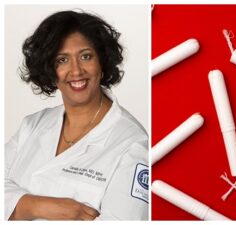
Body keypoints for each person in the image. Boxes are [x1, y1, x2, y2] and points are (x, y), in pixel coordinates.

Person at [5, 10, 148, 221]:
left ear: (102, 63)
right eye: (62, 60)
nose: (76, 71)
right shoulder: (32, 125)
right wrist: (37, 206)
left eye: (86, 56)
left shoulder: (132, 144)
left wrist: (14, 205)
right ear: (50, 70)